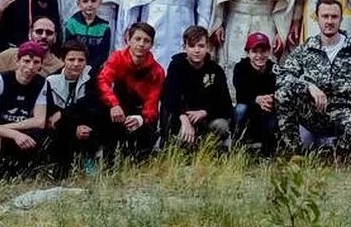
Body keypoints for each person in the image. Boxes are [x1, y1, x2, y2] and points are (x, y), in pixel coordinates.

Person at [276, 0, 351, 157]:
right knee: (283, 93)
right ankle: (295, 153)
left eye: (334, 17)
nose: (329, 21)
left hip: (345, 113)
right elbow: (283, 76)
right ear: (317, 18)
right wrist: (309, 86)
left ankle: (337, 155)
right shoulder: (306, 49)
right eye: (325, 16)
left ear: (341, 19)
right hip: (313, 113)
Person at [0, 42, 51, 177]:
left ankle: (22, 172)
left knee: (37, 135)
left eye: (36, 62)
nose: (30, 67)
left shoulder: (41, 82)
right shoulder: (1, 79)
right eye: (26, 61)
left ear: (40, 65)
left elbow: (40, 121)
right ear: (17, 61)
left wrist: (10, 129)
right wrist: (13, 134)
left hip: (16, 127)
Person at [97, 22, 164, 162]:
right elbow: (103, 81)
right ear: (128, 40)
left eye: (146, 41)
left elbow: (153, 101)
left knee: (146, 136)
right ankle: (106, 162)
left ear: (151, 45)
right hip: (118, 106)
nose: (141, 44)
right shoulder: (117, 58)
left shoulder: (157, 71)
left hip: (140, 111)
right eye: (137, 39)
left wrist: (141, 119)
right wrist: (114, 104)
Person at [162, 26, 233, 149]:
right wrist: (183, 118)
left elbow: (226, 103)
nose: (197, 50)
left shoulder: (216, 70)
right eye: (192, 46)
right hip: (182, 118)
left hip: (207, 118)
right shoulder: (176, 66)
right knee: (184, 140)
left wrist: (205, 112)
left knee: (221, 125)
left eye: (201, 46)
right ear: (185, 47)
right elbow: (169, 97)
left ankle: (214, 149)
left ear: (207, 47)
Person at [42, 41, 102, 175]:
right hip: (63, 128)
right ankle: (60, 169)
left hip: (86, 123)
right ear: (63, 60)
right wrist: (74, 126)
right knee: (58, 127)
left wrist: (64, 114)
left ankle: (90, 161)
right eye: (71, 59)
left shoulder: (92, 76)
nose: (76, 64)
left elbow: (92, 105)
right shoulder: (51, 81)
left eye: (81, 60)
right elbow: (52, 115)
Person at [232, 32, 279, 154]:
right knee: (240, 109)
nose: (259, 55)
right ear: (248, 53)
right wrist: (257, 99)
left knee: (274, 113)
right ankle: (236, 145)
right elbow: (241, 94)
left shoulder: (274, 69)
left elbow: (279, 90)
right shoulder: (240, 68)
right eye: (255, 51)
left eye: (263, 51)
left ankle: (268, 152)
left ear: (269, 52)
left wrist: (270, 99)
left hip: (267, 109)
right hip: (248, 109)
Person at [63, 0, 114, 69]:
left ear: (100, 2)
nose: (89, 5)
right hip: (74, 66)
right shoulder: (72, 24)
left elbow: (103, 54)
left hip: (94, 69)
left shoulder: (104, 27)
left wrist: (90, 68)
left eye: (93, 1)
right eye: (85, 1)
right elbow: (68, 49)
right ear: (78, 3)